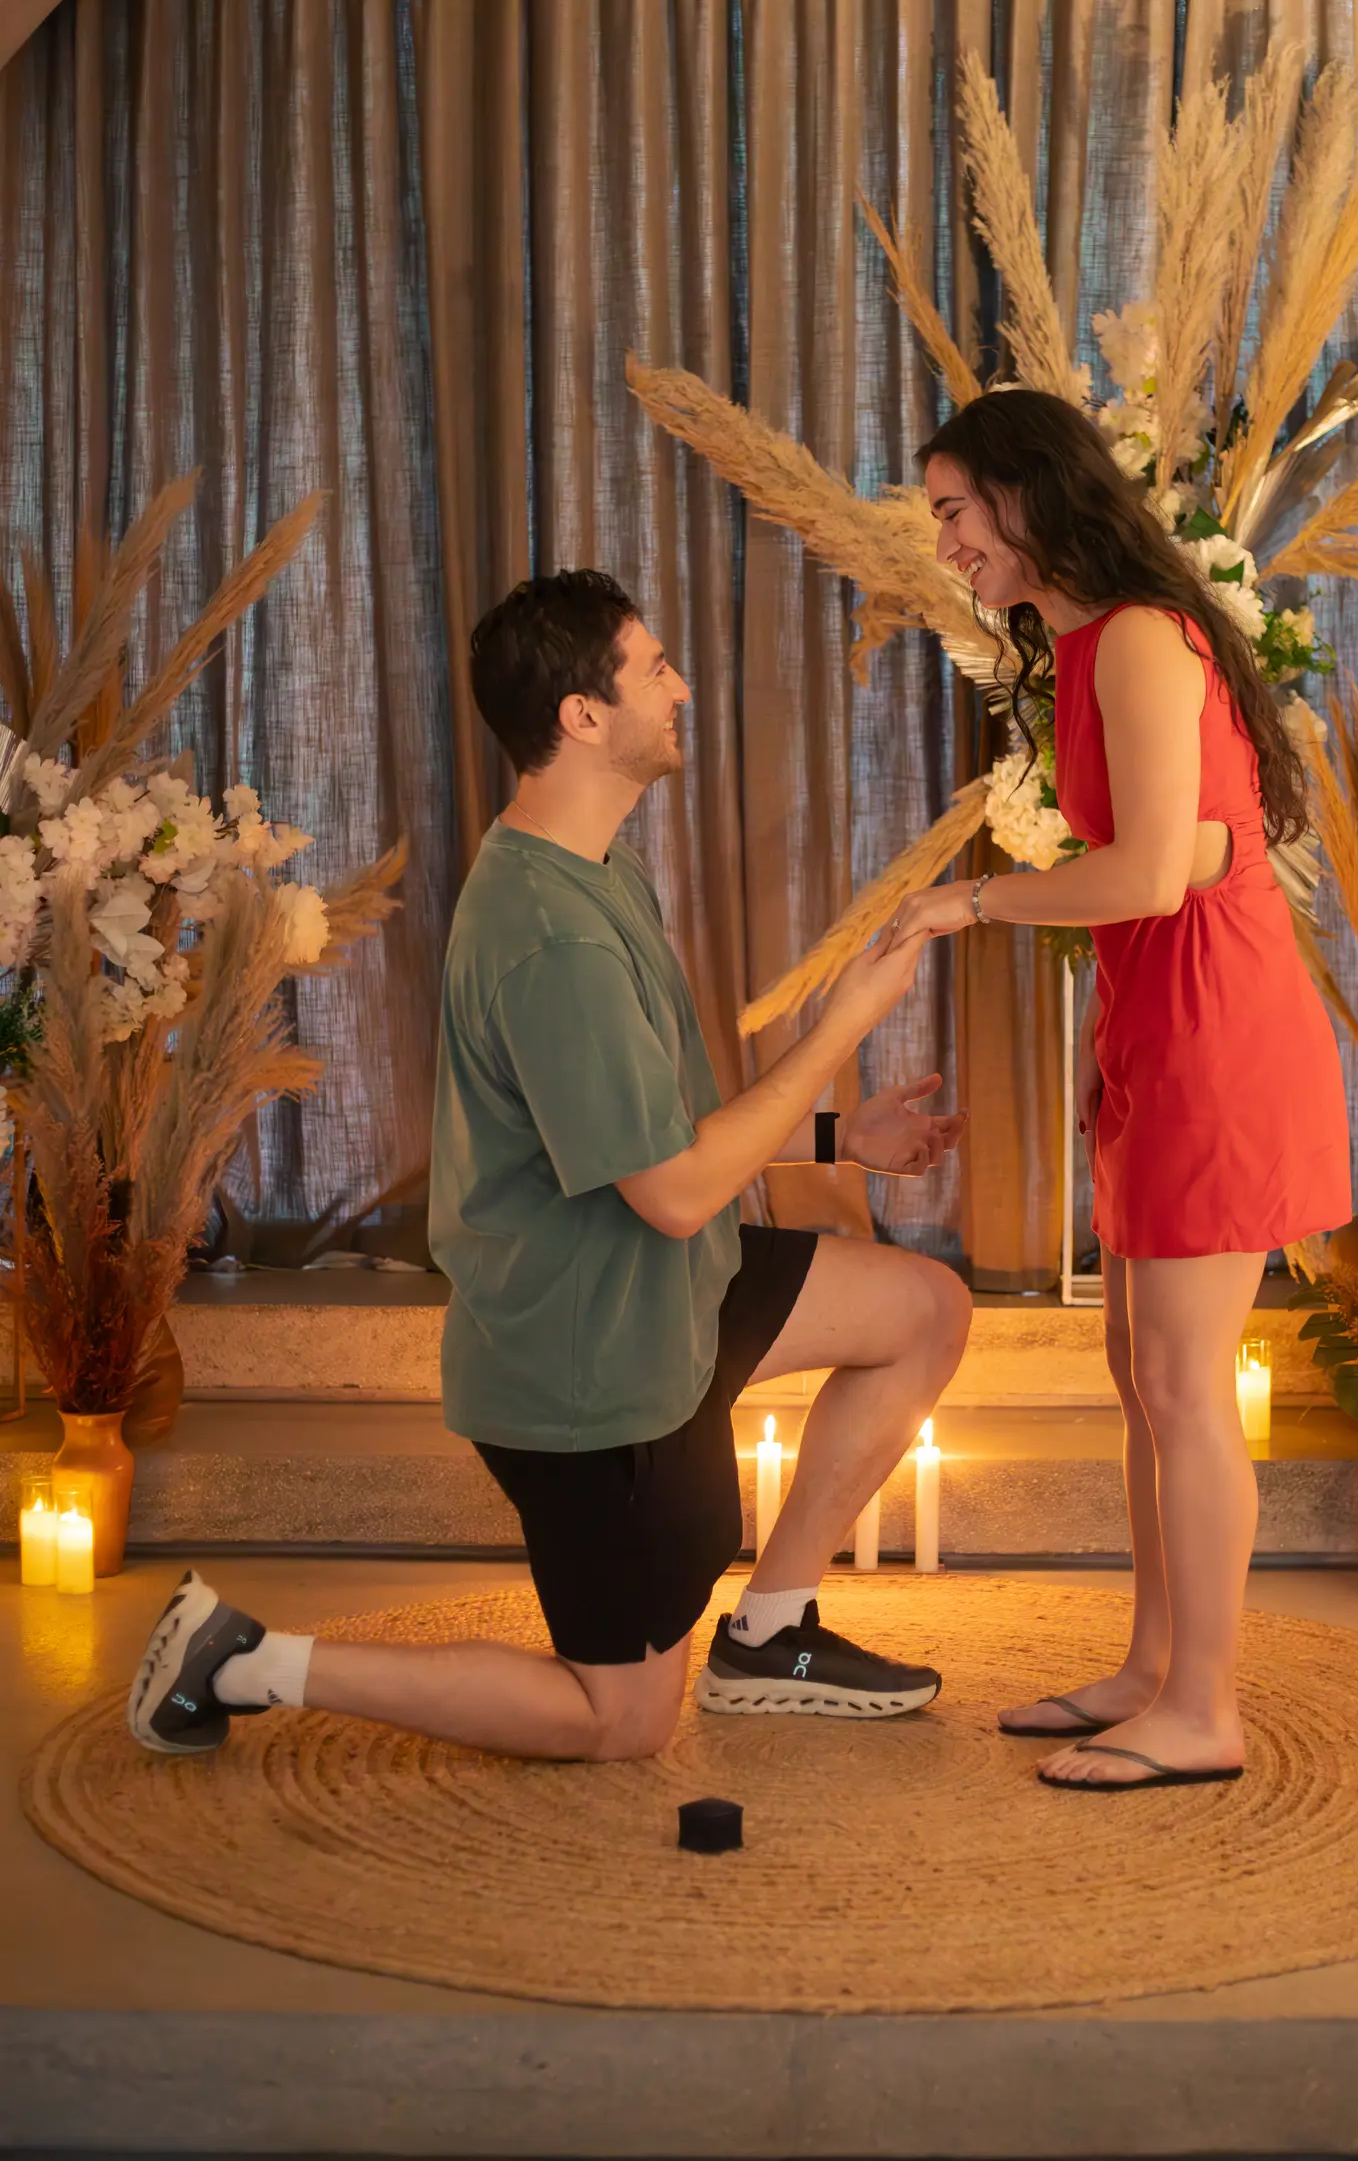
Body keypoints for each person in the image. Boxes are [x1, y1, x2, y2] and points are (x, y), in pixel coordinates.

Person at [129, 569, 971, 1763]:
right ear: (582, 716)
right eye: (655, 668)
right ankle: (246, 1660)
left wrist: (841, 1139)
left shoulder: (593, 868)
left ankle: (770, 1630)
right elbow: (676, 1193)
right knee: (618, 1723)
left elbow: (659, 1125)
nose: (680, 688)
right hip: (594, 1374)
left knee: (923, 1309)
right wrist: (843, 1022)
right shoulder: (551, 932)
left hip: (667, 1296)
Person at [892, 390, 1350, 1794]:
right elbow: (1200, 843)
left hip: (1216, 1027)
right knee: (1137, 1373)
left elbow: (1153, 871)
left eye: (957, 513)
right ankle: (1154, 1667)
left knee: (1180, 1379)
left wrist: (972, 900)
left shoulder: (1144, 637)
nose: (950, 544)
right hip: (1162, 1020)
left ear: (1030, 496)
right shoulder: (1095, 640)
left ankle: (1204, 1705)